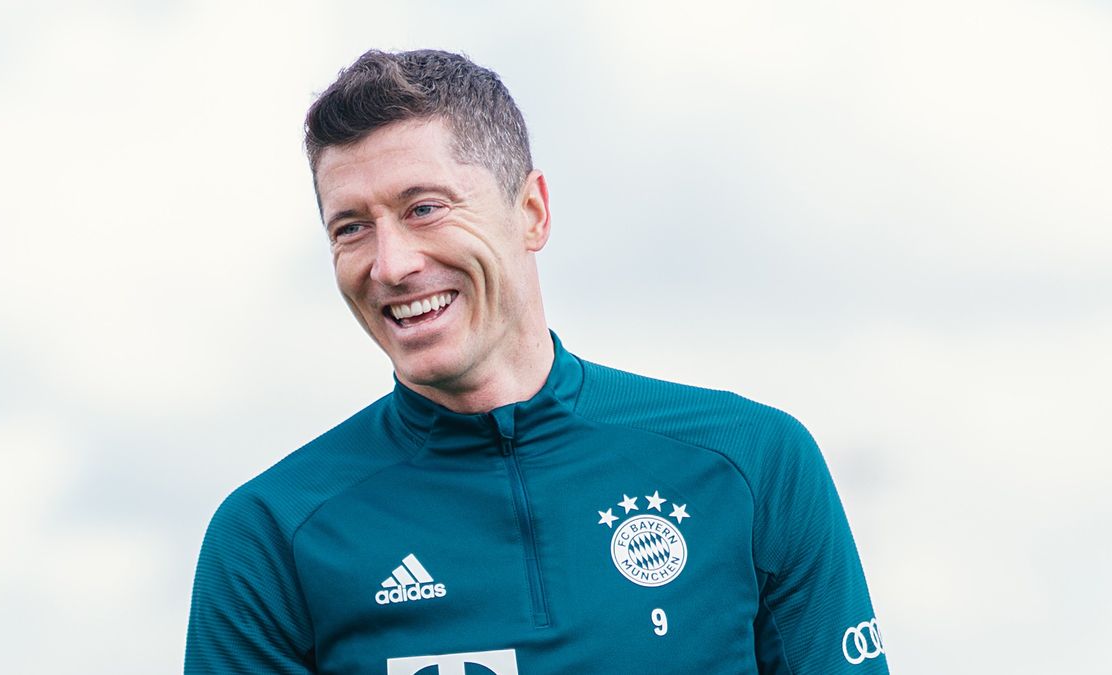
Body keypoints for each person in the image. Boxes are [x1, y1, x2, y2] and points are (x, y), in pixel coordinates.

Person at [185, 48, 888, 674]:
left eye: (424, 208)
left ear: (531, 212)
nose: (390, 264)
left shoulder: (752, 461)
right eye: (351, 227)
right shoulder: (270, 536)